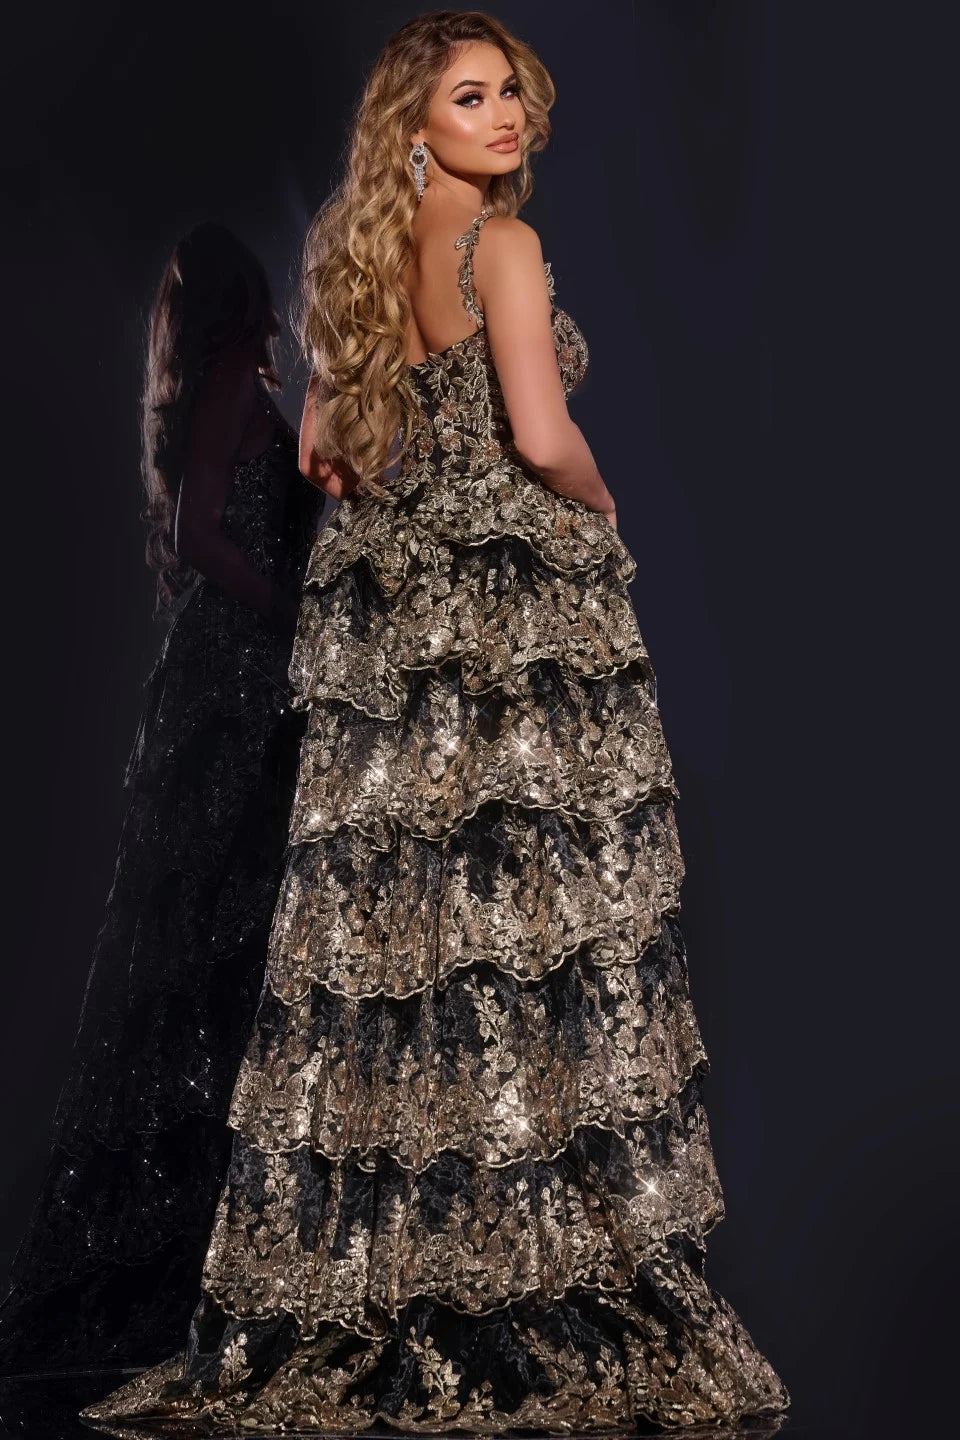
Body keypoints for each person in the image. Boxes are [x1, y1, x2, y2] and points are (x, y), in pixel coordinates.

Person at [81, 12, 791, 1433]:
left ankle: (392, 1271)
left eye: (510, 91)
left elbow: (322, 455)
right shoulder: (504, 248)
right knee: (525, 926)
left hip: (391, 623)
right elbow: (540, 431)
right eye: (472, 97)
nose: (505, 114)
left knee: (395, 936)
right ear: (416, 122)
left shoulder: (353, 254)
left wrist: (407, 470)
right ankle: (523, 1274)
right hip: (510, 618)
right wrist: (599, 500)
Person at [0, 223, 323, 1376]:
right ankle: (177, 1263)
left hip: (219, 684)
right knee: (209, 950)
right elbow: (199, 536)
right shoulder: (234, 375)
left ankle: (187, 1258)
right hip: (231, 684)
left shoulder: (222, 383)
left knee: (195, 954)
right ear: (248, 299)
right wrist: (286, 611)